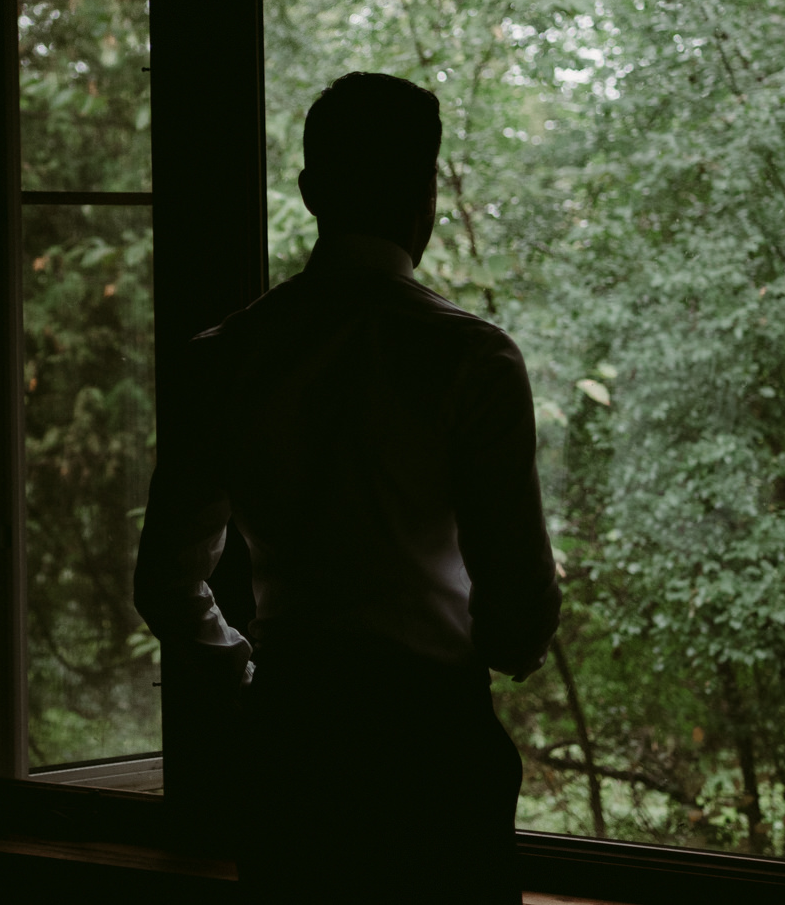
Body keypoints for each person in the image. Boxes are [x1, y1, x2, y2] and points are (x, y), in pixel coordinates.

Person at [134, 71, 560, 900]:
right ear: (425, 192)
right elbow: (514, 624)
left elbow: (164, 580)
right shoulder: (473, 358)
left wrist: (244, 674)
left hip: (292, 750)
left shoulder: (224, 357)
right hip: (433, 754)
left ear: (308, 191)